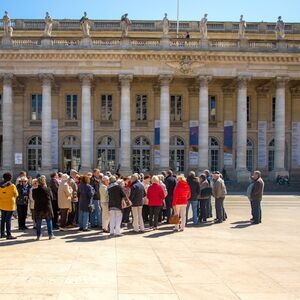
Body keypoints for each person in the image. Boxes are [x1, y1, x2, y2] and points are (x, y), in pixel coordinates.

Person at [0, 173, 18, 239]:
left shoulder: (0, 185)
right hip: (10, 204)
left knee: (2, 219)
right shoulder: (12, 185)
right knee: (8, 220)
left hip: (2, 204)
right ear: (10, 178)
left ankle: (2, 233)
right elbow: (16, 194)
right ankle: (8, 234)